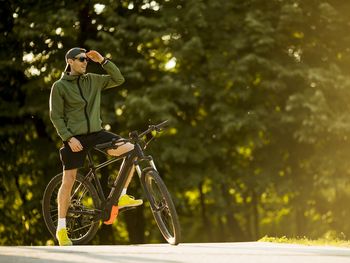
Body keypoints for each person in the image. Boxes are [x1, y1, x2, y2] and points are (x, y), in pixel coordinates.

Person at [49, 47, 142, 246]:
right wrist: (68, 137)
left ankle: (122, 196)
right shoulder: (59, 86)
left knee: (132, 150)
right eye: (81, 59)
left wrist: (103, 60)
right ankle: (61, 228)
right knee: (69, 180)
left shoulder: (93, 79)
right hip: (75, 138)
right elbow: (55, 116)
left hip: (97, 133)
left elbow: (118, 79)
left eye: (86, 60)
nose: (85, 62)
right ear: (70, 61)